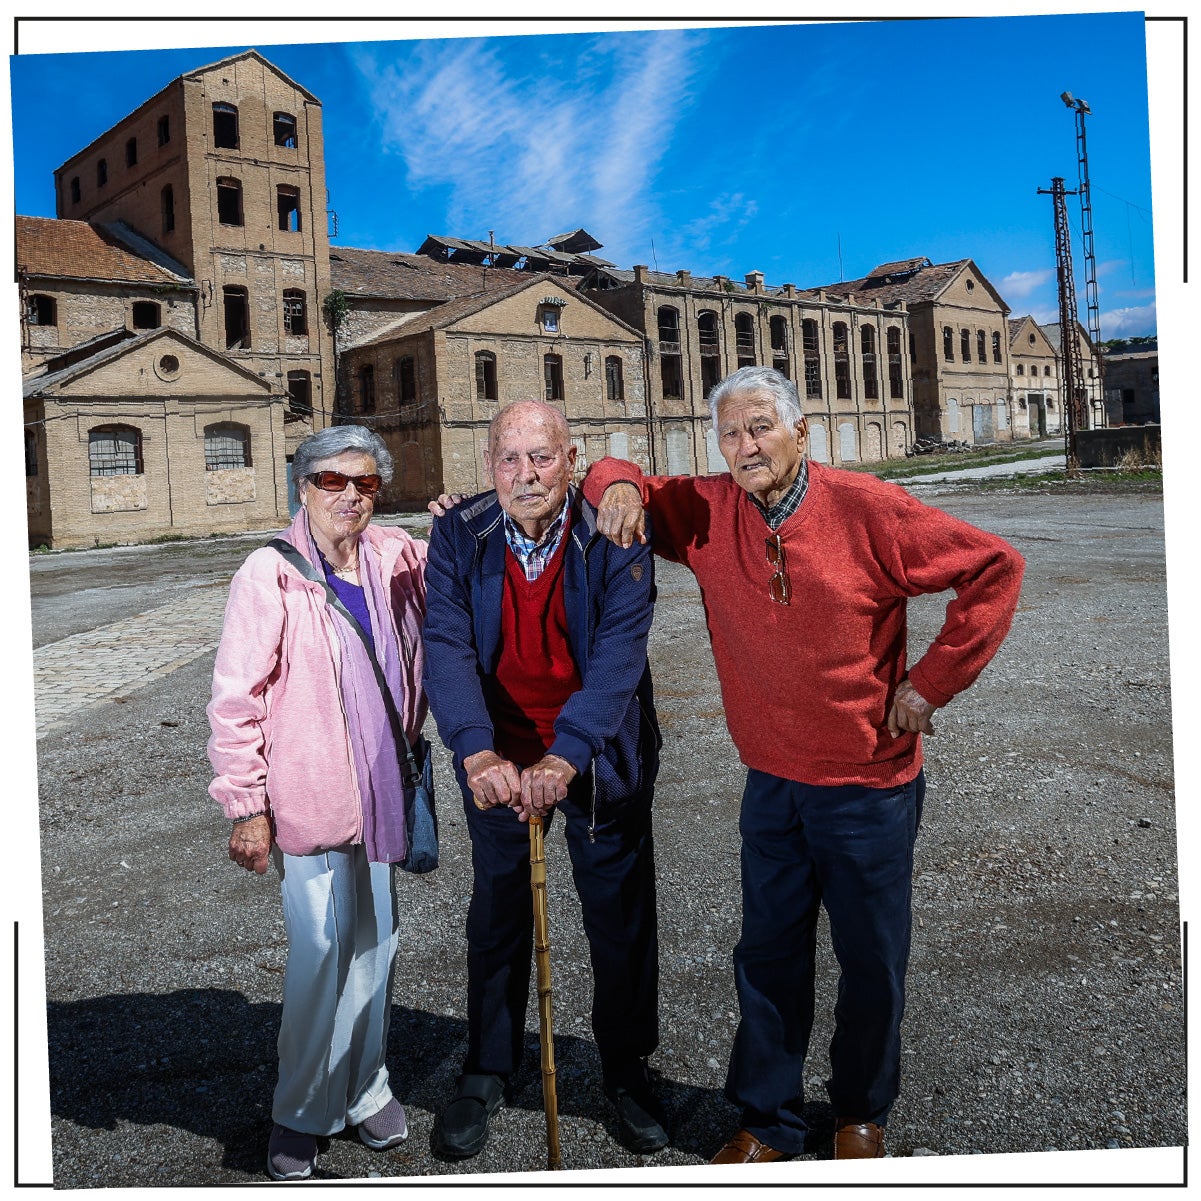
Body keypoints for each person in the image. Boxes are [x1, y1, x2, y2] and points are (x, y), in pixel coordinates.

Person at [583, 365, 1024, 1164]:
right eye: (729, 433)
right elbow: (615, 475)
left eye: (760, 427)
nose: (745, 445)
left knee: (870, 958)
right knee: (767, 956)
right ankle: (769, 1119)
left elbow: (992, 566)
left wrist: (929, 685)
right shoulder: (705, 511)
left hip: (867, 783)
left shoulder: (867, 507)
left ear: (799, 432)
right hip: (773, 782)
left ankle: (859, 1108)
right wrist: (614, 482)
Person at [422, 400, 666, 1160]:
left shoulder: (613, 531)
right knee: (496, 914)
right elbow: (445, 643)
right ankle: (488, 1066)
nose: (524, 473)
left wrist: (566, 756)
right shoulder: (458, 531)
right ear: (488, 462)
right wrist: (474, 751)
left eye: (540, 456)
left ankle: (626, 1069)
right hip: (497, 755)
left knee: (618, 917)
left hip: (595, 753)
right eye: (508, 457)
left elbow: (621, 653)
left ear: (570, 459)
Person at [207, 425, 428, 1181]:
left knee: (376, 946)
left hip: (383, 792)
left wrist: (464, 512)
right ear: (303, 485)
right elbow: (234, 699)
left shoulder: (395, 553)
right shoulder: (267, 573)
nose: (350, 496)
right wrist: (246, 804)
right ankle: (300, 1109)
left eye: (365, 483)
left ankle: (366, 1087)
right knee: (320, 955)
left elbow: (465, 571)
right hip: (308, 795)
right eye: (332, 480)